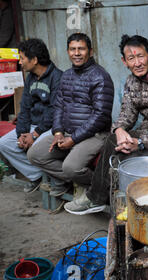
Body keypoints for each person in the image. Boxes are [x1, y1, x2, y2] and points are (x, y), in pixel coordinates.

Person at [63, 34, 148, 215]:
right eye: (131, 58)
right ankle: (100, 200)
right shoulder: (131, 81)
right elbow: (127, 114)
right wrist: (120, 130)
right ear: (124, 61)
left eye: (140, 56)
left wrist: (139, 142)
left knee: (122, 153)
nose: (137, 63)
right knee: (115, 140)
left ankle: (99, 199)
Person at [28, 33, 114, 198]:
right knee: (35, 154)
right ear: (67, 51)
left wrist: (73, 139)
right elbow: (59, 106)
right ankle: (79, 184)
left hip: (94, 135)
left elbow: (101, 115)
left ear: (90, 51)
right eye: (72, 49)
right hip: (67, 131)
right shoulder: (66, 75)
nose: (77, 53)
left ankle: (101, 189)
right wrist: (58, 132)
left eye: (81, 49)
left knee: (71, 167)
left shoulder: (101, 77)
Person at [0, 38, 62, 193]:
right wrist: (22, 133)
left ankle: (56, 179)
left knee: (37, 148)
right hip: (32, 126)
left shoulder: (58, 77)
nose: (20, 62)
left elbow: (54, 110)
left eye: (22, 58)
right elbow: (25, 107)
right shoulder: (30, 78)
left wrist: (34, 135)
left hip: (50, 128)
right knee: (4, 143)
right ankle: (37, 176)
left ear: (34, 60)